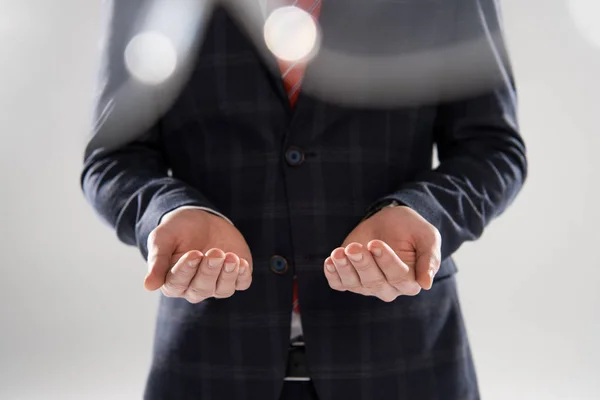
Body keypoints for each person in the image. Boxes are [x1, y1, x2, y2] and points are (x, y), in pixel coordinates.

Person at [81, 0, 527, 399]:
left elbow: (491, 146)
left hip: (406, 365)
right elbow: (113, 156)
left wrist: (426, 213)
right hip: (209, 366)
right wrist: (168, 211)